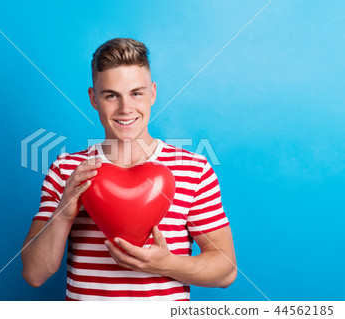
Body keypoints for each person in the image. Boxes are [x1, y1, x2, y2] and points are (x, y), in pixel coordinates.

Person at [21, 38, 237, 301]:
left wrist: (164, 264)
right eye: (111, 95)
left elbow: (226, 271)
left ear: (153, 93)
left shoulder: (194, 170)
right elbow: (34, 273)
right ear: (93, 99)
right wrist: (64, 213)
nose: (126, 109)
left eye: (136, 93)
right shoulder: (66, 169)